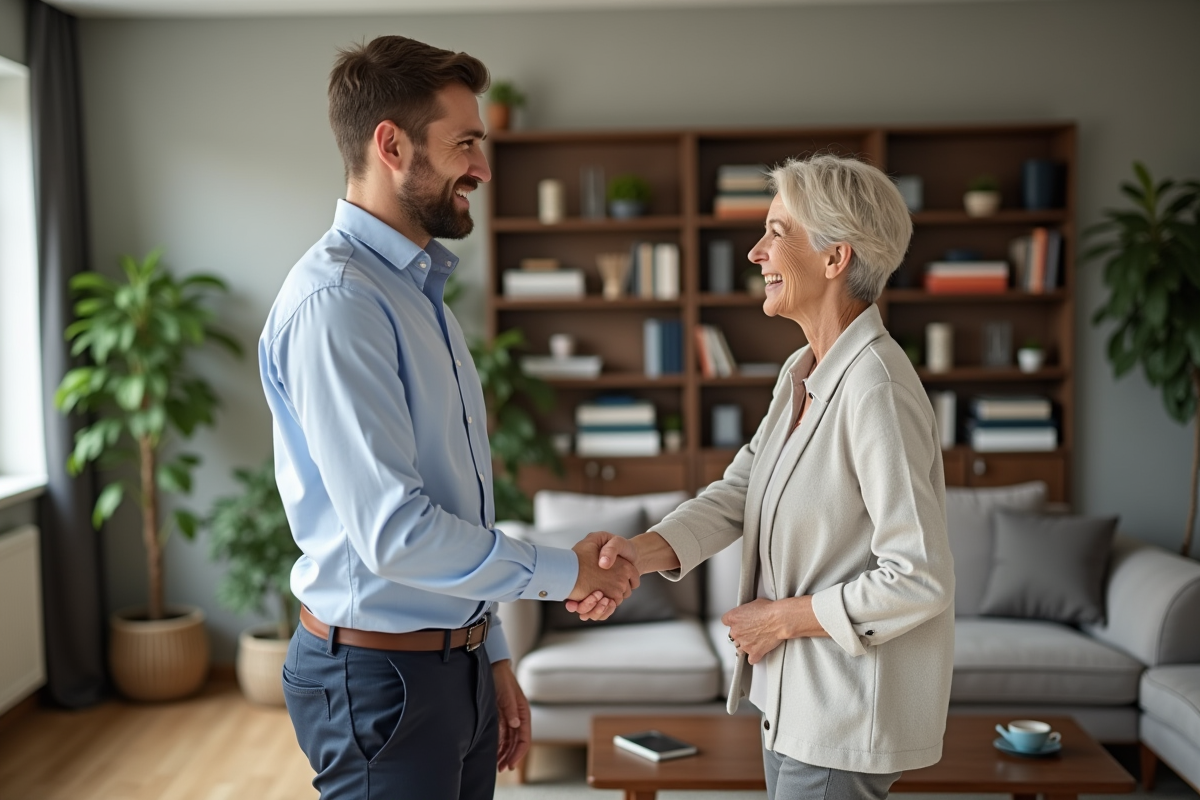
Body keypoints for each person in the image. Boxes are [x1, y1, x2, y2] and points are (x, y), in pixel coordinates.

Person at [258, 36, 637, 800]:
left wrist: (489, 651)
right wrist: (566, 574)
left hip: (447, 666)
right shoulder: (340, 304)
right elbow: (397, 533)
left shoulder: (417, 292)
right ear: (391, 145)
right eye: (464, 143)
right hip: (381, 680)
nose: (483, 170)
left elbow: (456, 505)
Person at [579, 154, 956, 800]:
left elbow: (918, 577)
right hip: (792, 702)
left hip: (841, 712)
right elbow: (738, 492)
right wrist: (634, 556)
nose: (756, 252)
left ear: (835, 258)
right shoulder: (800, 372)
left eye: (776, 232)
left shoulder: (876, 387)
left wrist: (779, 620)